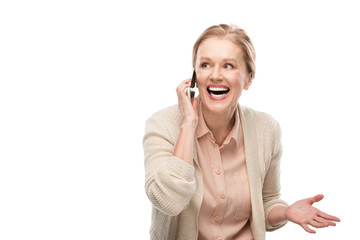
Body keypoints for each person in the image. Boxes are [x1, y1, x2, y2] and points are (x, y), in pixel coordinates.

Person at [143, 24, 340, 240]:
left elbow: (266, 203)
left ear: (249, 79)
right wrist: (188, 124)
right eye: (205, 64)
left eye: (228, 66)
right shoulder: (162, 125)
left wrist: (285, 212)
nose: (215, 75)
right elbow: (167, 201)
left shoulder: (267, 129)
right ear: (194, 75)